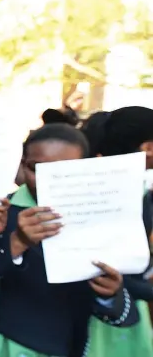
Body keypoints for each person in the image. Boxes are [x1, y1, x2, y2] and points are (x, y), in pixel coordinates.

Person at [0, 123, 139, 357]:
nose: (46, 181)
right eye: (36, 169)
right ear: (22, 165)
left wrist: (109, 293)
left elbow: (124, 293)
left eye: (62, 172)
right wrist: (15, 243)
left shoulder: (105, 217)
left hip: (59, 342)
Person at [81, 106, 153, 357]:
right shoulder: (134, 195)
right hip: (115, 311)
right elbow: (128, 271)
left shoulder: (88, 183)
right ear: (147, 148)